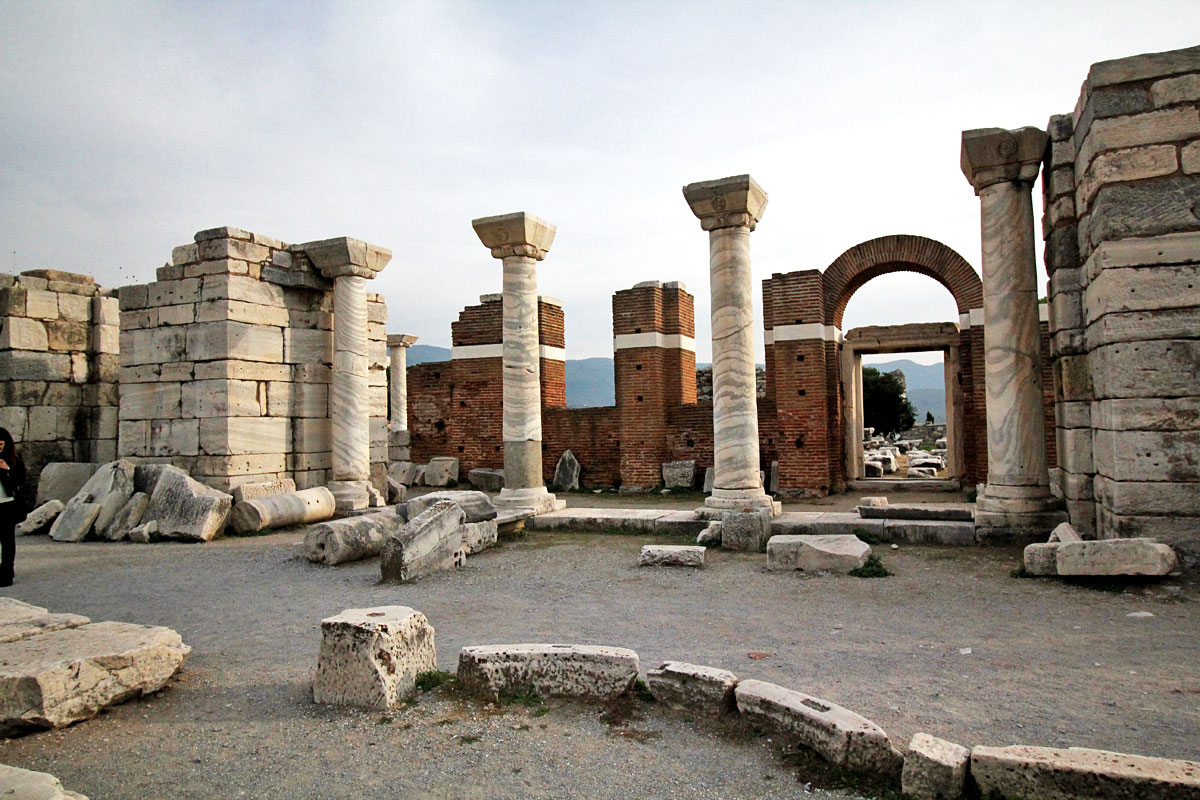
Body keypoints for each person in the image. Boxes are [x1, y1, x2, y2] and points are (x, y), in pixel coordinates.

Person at [0, 427, 26, 587]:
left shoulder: (13, 459)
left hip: (7, 505)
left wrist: (7, 469)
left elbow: (20, 480)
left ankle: (6, 573)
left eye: (0, 444)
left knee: (7, 540)